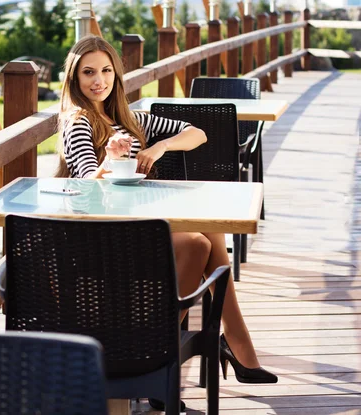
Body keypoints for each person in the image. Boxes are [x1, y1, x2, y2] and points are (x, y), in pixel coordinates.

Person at [55, 35, 278, 392]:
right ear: (74, 79)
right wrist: (109, 160)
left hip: (138, 227)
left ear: (116, 74)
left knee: (208, 234)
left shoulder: (130, 119)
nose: (99, 80)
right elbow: (84, 186)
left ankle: (168, 353)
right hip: (103, 237)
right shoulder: (78, 122)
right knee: (197, 242)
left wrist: (161, 146)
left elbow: (197, 134)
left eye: (106, 70)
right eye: (88, 72)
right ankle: (201, 348)